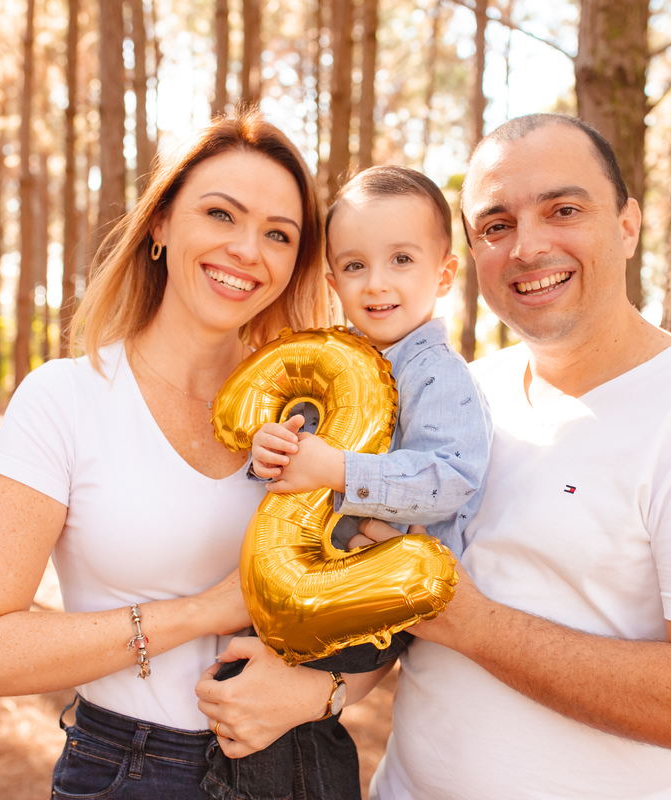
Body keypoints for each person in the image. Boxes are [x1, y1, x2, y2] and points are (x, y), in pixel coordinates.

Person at [0, 111, 388, 799]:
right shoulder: (68, 399)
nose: (246, 250)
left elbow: (386, 603)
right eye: (219, 214)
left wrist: (321, 693)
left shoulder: (314, 414)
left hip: (299, 769)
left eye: (278, 235)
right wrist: (204, 612)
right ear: (161, 224)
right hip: (134, 771)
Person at [361, 113, 671, 799]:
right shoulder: (469, 395)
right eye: (496, 226)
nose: (527, 247)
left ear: (627, 226)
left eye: (563, 210)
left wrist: (474, 625)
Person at [203, 166, 494, 799]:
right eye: (356, 266)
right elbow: (289, 472)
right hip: (310, 575)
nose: (378, 282)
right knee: (248, 698)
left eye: (401, 260)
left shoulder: (437, 377)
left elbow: (451, 478)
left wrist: (338, 469)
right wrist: (270, 450)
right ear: (333, 280)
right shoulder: (341, 365)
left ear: (443, 275)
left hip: (370, 593)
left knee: (283, 727)